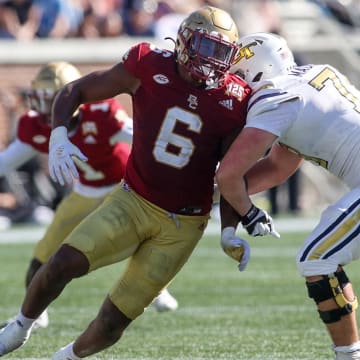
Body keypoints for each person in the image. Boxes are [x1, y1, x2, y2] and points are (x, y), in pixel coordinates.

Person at [0, 5, 251, 359]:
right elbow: (75, 90)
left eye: (221, 52)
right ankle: (18, 329)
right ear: (183, 42)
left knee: (112, 321)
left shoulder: (235, 99)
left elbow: (231, 170)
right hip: (133, 200)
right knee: (60, 263)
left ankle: (65, 357)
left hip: (185, 223)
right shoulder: (148, 65)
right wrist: (58, 134)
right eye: (205, 48)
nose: (212, 61)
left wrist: (229, 228)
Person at [0, 61, 178, 330]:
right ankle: (33, 314)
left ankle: (157, 289)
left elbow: (144, 138)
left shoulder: (102, 115)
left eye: (53, 100)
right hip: (85, 191)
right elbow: (6, 161)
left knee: (147, 236)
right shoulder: (34, 125)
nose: (44, 109)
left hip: (124, 186)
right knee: (45, 251)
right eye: (42, 99)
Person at [216, 32, 360, 359]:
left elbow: (229, 173)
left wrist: (243, 209)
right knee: (320, 257)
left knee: (317, 259)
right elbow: (278, 167)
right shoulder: (310, 77)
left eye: (238, 74)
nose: (236, 83)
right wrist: (218, 193)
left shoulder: (275, 97)